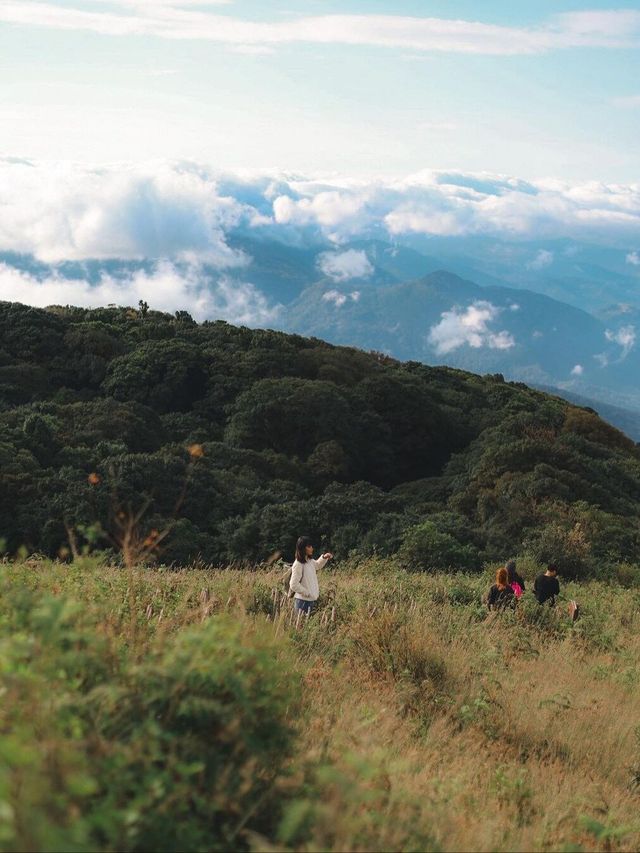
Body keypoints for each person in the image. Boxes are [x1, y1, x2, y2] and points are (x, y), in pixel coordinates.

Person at [289, 536, 333, 614]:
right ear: (302, 548)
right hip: (302, 602)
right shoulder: (298, 564)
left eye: (311, 546)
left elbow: (318, 565)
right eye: (309, 546)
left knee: (307, 625)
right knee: (301, 625)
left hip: (310, 601)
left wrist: (324, 557)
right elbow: (293, 584)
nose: (311, 548)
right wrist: (307, 593)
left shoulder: (309, 561)